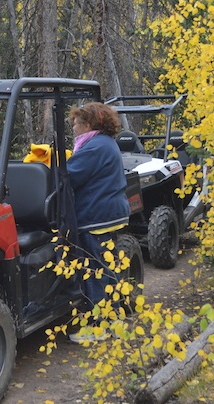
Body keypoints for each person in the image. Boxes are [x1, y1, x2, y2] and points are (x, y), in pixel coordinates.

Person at [67, 102, 130, 313]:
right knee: (107, 268)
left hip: (96, 217)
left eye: (76, 124)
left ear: (88, 125)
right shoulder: (105, 143)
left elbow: (69, 175)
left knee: (96, 271)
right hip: (107, 215)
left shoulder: (94, 148)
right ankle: (113, 315)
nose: (73, 128)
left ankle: (99, 324)